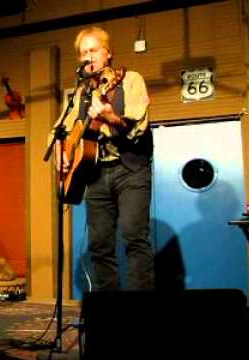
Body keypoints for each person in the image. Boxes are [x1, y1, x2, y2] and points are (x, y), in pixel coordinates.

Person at [50, 27, 154, 290]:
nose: (88, 57)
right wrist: (60, 150)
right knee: (100, 245)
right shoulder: (82, 93)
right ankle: (110, 316)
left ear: (109, 53)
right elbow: (59, 128)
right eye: (84, 53)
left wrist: (110, 117)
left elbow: (138, 127)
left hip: (130, 169)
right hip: (95, 173)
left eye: (93, 50)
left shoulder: (130, 80)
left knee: (134, 237)